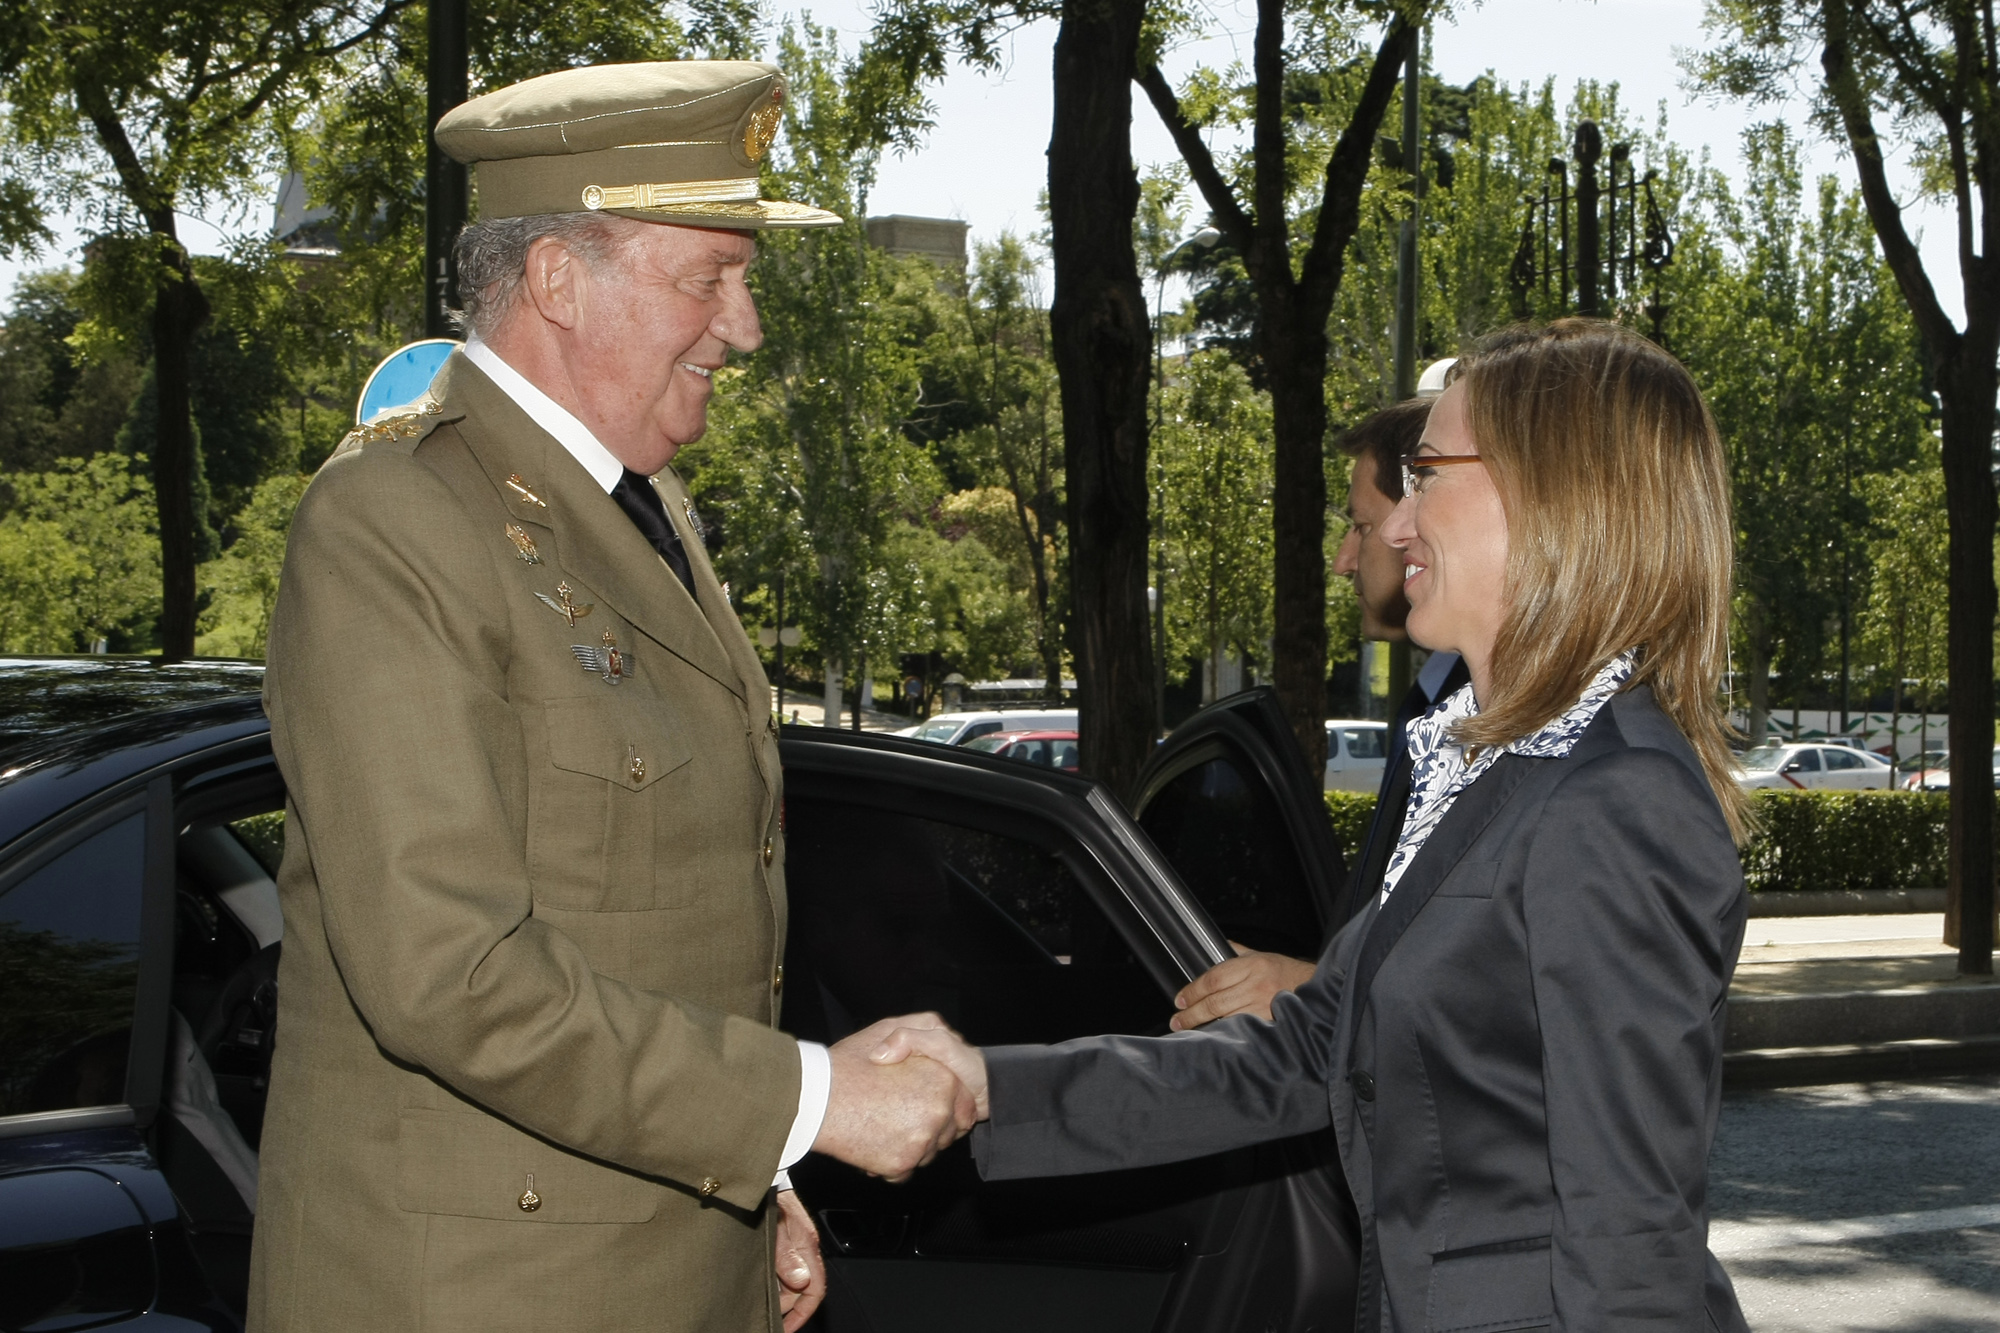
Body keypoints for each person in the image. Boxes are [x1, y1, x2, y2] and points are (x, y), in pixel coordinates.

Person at [252, 62, 968, 1333]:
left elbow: (661, 932)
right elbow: (450, 972)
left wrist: (753, 1185)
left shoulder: (641, 505)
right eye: (709, 279)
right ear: (557, 281)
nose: (744, 328)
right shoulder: (394, 521)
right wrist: (809, 1102)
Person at [882, 319, 1755, 1331]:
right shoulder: (1495, 770)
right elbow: (1299, 1052)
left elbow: (1631, 1248)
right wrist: (985, 1086)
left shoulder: (1614, 799)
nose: (1395, 527)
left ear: (1555, 493)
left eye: (1426, 475)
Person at [1171, 397, 1468, 1031]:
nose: (1343, 560)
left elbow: (1482, 991)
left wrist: (1308, 989)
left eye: (1360, 526)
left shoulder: (1501, 726)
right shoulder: (1437, 704)